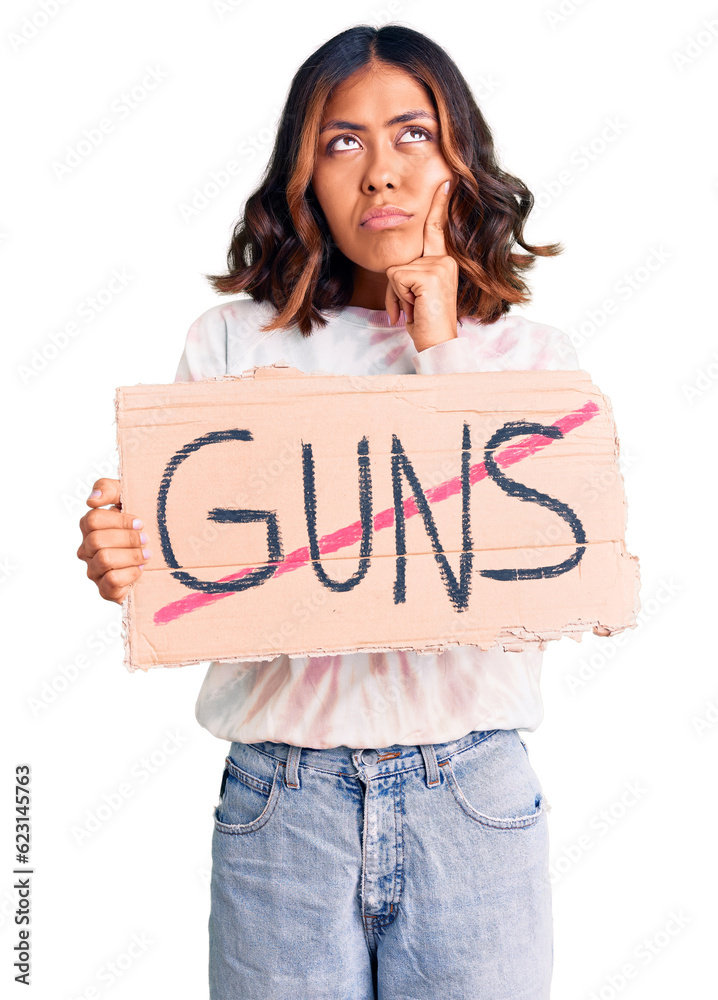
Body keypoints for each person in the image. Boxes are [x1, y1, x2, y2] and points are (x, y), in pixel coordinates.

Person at [76, 24, 580, 1000]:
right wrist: (125, 558)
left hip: (470, 797)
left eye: (410, 135)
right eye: (343, 141)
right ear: (303, 173)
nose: (380, 173)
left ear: (458, 160)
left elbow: (534, 574)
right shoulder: (231, 344)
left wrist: (439, 335)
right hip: (284, 803)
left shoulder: (532, 361)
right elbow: (193, 570)